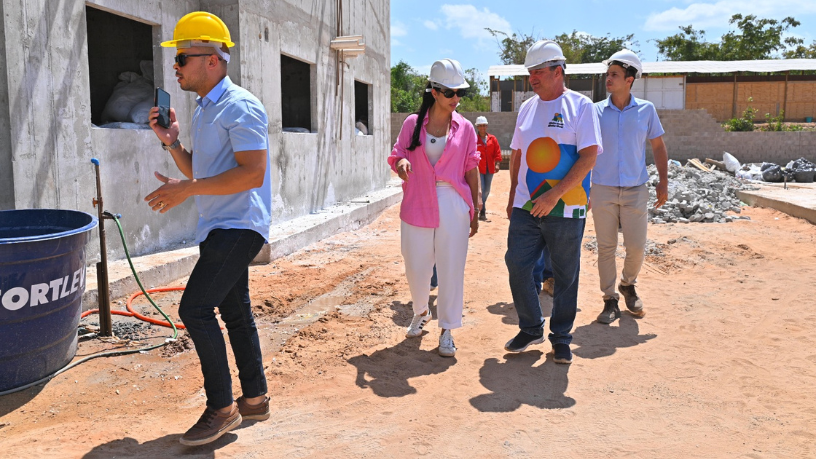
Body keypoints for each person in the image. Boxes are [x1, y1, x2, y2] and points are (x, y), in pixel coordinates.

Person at [145, 12, 272, 446]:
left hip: (240, 224)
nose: (175, 66)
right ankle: (254, 399)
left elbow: (253, 173)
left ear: (212, 60)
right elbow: (202, 170)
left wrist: (188, 190)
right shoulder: (205, 108)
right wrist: (173, 142)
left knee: (194, 309)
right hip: (219, 223)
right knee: (235, 312)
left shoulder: (241, 105)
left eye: (181, 57)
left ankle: (221, 408)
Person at [503, 40, 602, 364]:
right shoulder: (527, 108)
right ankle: (532, 327)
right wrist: (511, 196)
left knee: (564, 274)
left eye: (539, 71)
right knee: (517, 265)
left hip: (565, 208)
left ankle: (561, 337)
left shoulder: (581, 107)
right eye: (530, 72)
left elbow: (588, 157)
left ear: (558, 72)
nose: (532, 77)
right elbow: (517, 154)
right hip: (525, 207)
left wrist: (553, 194)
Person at [388, 58, 481, 358]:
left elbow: (471, 167)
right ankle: (421, 310)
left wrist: (475, 208)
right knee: (416, 265)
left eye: (460, 94)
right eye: (451, 93)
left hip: (452, 201)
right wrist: (401, 162)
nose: (457, 99)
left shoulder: (465, 128)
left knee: (452, 267)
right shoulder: (412, 124)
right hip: (417, 200)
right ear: (435, 91)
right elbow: (398, 152)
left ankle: (448, 330)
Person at [591, 49, 669, 324]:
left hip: (636, 188)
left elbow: (658, 145)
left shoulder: (646, 110)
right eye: (607, 74)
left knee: (636, 247)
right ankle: (610, 299)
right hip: (603, 188)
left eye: (614, 74)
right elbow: (585, 150)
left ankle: (628, 283)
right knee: (606, 247)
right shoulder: (596, 112)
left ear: (629, 79)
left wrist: (663, 180)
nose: (608, 79)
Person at [475, 116, 502, 221]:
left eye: (484, 125)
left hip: (490, 168)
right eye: (480, 126)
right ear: (477, 127)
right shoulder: (474, 139)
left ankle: (480, 207)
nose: (482, 127)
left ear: (487, 126)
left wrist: (497, 163)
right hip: (479, 169)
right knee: (481, 189)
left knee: (486, 191)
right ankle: (482, 212)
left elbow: (497, 152)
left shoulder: (492, 139)